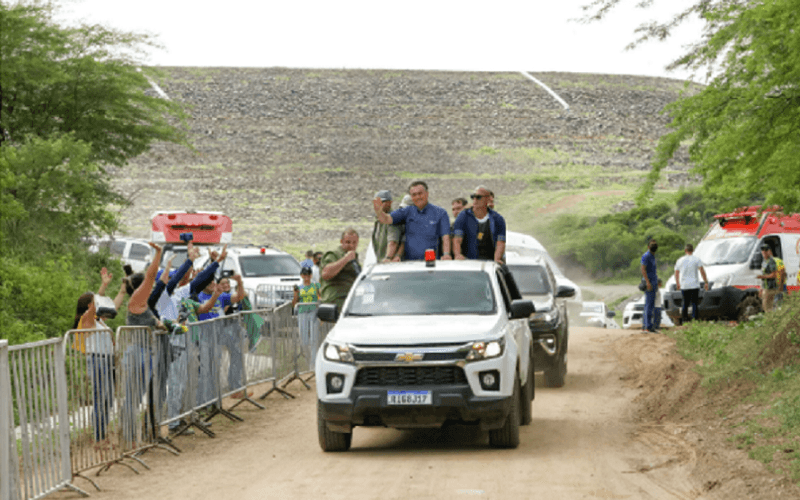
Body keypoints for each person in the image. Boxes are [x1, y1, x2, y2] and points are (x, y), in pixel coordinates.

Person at [372, 181, 451, 260]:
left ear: (427, 194)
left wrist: (446, 254)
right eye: (414, 195)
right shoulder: (407, 211)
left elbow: (445, 236)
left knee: (430, 267)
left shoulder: (440, 212)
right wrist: (379, 211)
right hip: (409, 262)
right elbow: (386, 219)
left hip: (430, 259)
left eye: (420, 193)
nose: (417, 197)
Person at [453, 186, 507, 263]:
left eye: (478, 197)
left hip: (490, 262)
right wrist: (458, 255)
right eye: (473, 197)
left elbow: (500, 242)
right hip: (468, 262)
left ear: (487, 199)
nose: (474, 200)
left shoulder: (498, 219)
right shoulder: (463, 216)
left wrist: (497, 259)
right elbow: (457, 239)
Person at [320, 228, 361, 311]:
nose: (351, 246)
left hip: (350, 300)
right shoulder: (334, 254)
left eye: (354, 243)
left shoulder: (354, 258)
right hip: (336, 301)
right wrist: (345, 259)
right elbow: (325, 274)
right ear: (341, 241)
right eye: (348, 242)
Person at [674, 243, 709, 323]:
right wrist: (705, 282)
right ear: (693, 250)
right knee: (694, 303)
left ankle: (684, 320)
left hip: (684, 286)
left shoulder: (680, 260)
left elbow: (676, 273)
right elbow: (702, 271)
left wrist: (678, 283)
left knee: (685, 303)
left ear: (685, 250)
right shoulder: (697, 259)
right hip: (694, 285)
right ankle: (695, 320)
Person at [292, 267, 321, 364]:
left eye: (308, 275)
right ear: (301, 275)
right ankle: (309, 361)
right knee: (304, 340)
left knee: (314, 338)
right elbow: (294, 303)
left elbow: (321, 297)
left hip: (314, 312)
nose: (306, 277)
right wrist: (295, 294)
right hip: (302, 312)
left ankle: (314, 363)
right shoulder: (299, 288)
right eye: (304, 275)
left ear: (311, 275)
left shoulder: (316, 285)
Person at [371, 190, 402, 262]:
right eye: (376, 203)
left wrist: (388, 258)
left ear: (390, 203)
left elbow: (393, 242)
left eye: (382, 202)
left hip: (390, 264)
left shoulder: (392, 219)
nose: (378, 205)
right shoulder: (378, 221)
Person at [640, 238, 659, 333]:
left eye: (655, 244)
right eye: (652, 244)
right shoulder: (646, 256)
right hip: (649, 283)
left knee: (650, 304)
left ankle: (646, 325)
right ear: (648, 246)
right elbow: (643, 269)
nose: (654, 246)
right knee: (649, 305)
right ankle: (648, 326)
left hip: (654, 282)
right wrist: (647, 282)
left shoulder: (653, 256)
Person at [756, 244, 778, 313]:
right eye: (763, 251)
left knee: (768, 308)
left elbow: (774, 274)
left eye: (765, 251)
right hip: (765, 287)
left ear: (769, 252)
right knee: (765, 308)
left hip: (770, 288)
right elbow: (763, 275)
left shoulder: (771, 261)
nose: (764, 252)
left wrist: (763, 277)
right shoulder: (764, 262)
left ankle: (771, 322)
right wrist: (761, 288)